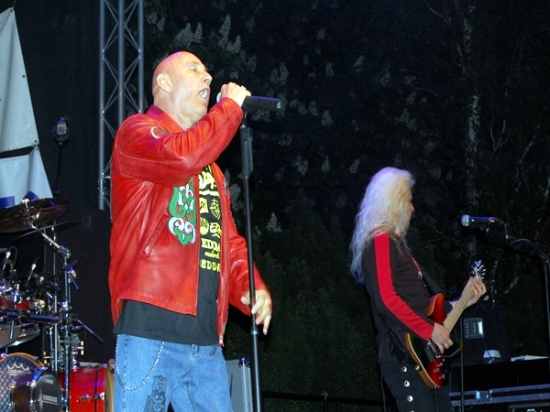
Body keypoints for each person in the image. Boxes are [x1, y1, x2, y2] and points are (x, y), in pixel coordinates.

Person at [108, 51, 273, 412]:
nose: (208, 77)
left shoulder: (210, 169)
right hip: (152, 324)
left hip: (205, 337)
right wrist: (229, 109)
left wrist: (250, 284)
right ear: (164, 83)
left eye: (207, 71)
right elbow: (180, 157)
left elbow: (227, 240)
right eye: (194, 69)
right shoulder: (137, 132)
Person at [349, 167, 486, 412]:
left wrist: (464, 300)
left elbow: (425, 307)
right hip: (404, 355)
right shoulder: (380, 241)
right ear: (394, 203)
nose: (412, 208)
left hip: (425, 359)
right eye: (409, 201)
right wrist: (430, 331)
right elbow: (386, 300)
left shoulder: (397, 246)